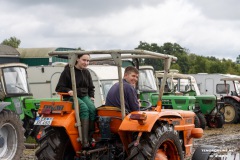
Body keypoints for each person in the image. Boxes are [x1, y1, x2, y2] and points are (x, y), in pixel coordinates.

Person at [55, 53, 96, 148]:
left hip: (84, 96)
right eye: (84, 60)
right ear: (77, 59)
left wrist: (92, 96)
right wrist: (68, 90)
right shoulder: (68, 71)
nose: (86, 63)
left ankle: (91, 137)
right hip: (71, 97)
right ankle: (84, 141)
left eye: (88, 61)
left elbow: (91, 87)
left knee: (93, 109)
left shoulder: (87, 72)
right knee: (84, 109)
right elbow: (59, 87)